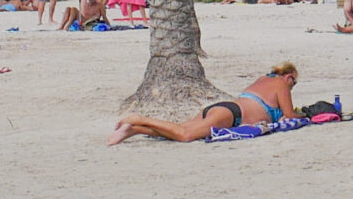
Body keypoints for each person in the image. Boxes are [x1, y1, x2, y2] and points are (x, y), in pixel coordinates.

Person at [108, 62, 303, 145]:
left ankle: (134, 129)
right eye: (293, 81)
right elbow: (289, 114)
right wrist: (302, 115)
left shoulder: (264, 79)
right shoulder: (281, 84)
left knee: (177, 130)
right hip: (232, 115)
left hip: (225, 108)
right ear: (287, 76)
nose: (292, 86)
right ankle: (140, 119)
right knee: (185, 135)